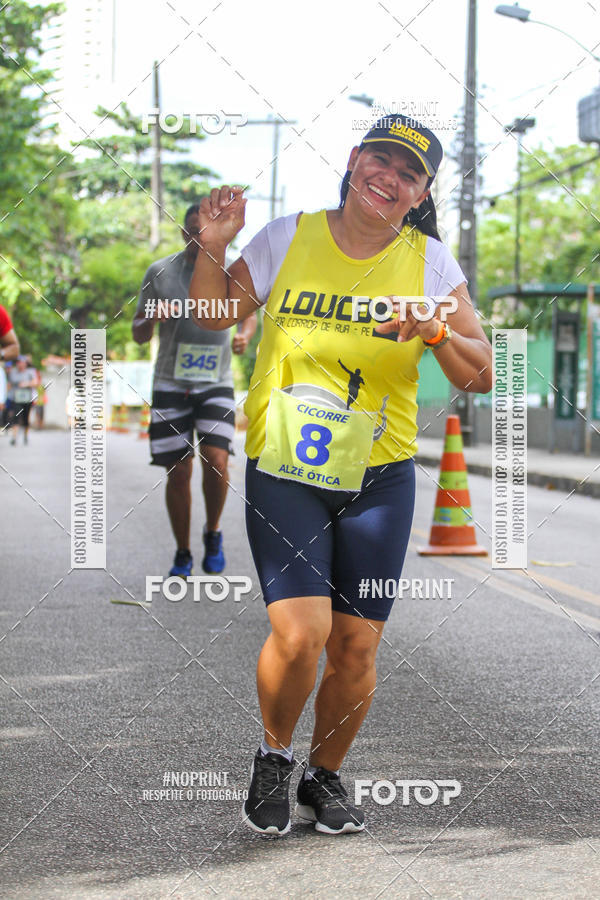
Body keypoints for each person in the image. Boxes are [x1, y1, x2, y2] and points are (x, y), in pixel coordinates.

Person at [188, 115, 493, 835]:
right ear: (354, 162)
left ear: (421, 194)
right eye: (380, 160)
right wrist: (210, 246)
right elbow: (210, 313)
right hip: (286, 466)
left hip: (380, 479)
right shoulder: (288, 237)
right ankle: (273, 756)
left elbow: (480, 372)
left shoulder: (431, 264)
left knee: (357, 646)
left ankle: (324, 778)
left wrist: (437, 332)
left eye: (408, 173)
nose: (389, 177)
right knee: (302, 633)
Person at [132, 202, 257, 577]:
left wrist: (243, 337)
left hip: (215, 380)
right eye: (191, 232)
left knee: (217, 460)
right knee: (179, 470)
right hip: (170, 381)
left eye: (204, 231)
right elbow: (137, 334)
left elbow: (248, 314)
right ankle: (183, 551)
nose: (198, 239)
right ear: (184, 233)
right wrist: (149, 318)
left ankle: (213, 531)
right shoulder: (160, 272)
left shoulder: (229, 269)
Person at [8, 356, 39, 446]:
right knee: (16, 417)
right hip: (16, 399)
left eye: (21, 362)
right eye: (18, 362)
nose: (19, 364)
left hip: (27, 399)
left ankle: (25, 435)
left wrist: (26, 384)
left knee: (25, 419)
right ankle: (14, 437)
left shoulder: (31, 372)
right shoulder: (13, 372)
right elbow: (10, 383)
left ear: (25, 363)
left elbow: (36, 382)